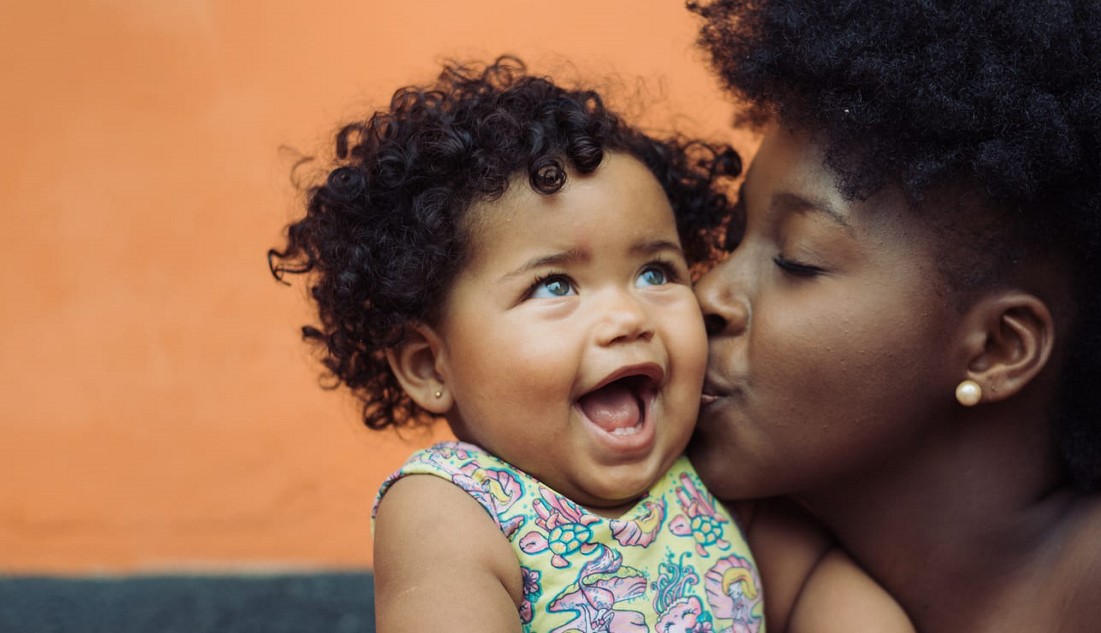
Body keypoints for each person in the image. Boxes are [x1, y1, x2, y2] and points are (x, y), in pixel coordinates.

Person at [684, 0, 1101, 631]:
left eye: (798, 260)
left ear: (997, 349)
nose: (706, 297)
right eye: (733, 238)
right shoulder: (688, 555)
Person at [269, 57, 909, 632]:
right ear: (428, 364)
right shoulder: (452, 508)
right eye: (554, 285)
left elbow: (820, 588)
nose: (627, 316)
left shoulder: (706, 484)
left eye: (656, 273)